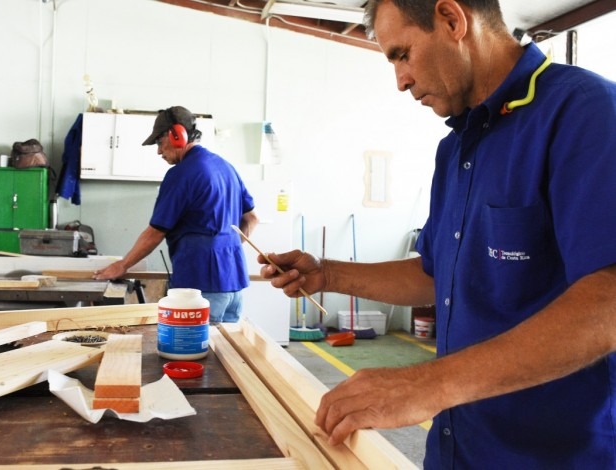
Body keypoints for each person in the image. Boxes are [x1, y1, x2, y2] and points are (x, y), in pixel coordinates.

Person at [259, 0, 616, 467]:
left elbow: (607, 302)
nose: (400, 80)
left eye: (401, 54)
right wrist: (325, 274)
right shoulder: (457, 147)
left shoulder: (585, 114)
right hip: (457, 447)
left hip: (551, 456)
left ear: (452, 20)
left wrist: (429, 383)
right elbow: (436, 274)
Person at [94, 106, 258, 323]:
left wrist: (122, 265)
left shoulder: (181, 174)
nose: (159, 151)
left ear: (177, 135)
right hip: (234, 283)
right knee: (223, 350)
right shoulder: (226, 167)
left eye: (160, 143)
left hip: (200, 287)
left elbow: (156, 232)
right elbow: (252, 218)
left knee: (191, 350)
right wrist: (225, 251)